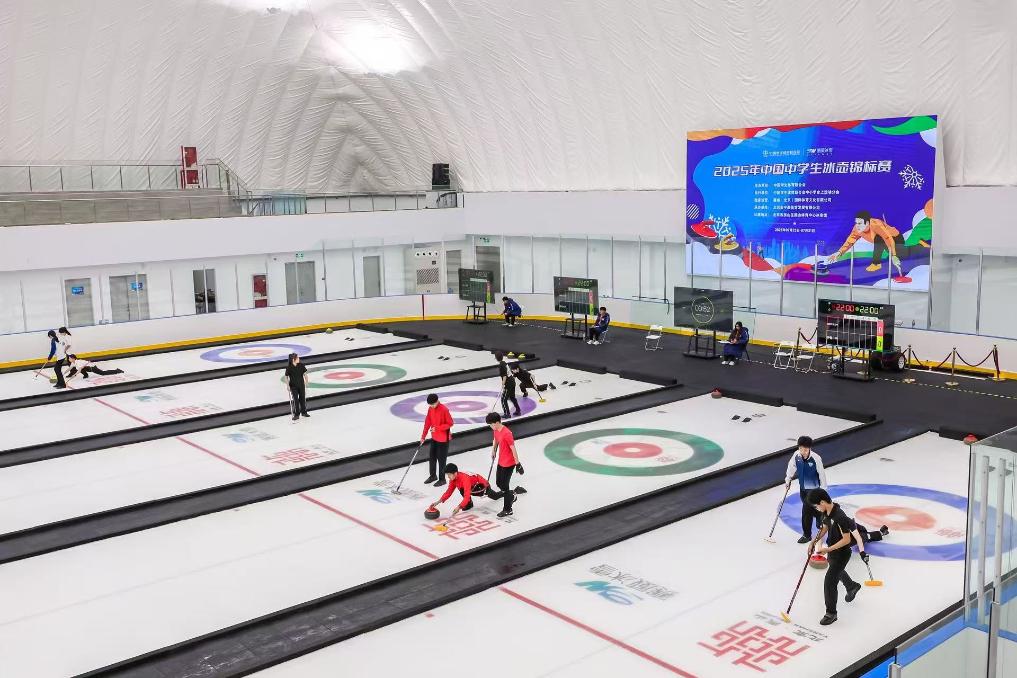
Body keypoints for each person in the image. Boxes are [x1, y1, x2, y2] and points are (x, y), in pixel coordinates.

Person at [807, 488, 866, 626]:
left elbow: (846, 540)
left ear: (822, 502)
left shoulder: (839, 517)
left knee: (829, 581)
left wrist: (827, 549)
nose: (816, 508)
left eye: (816, 506)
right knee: (835, 569)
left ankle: (831, 613)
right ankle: (851, 586)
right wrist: (813, 541)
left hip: (842, 554)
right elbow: (824, 528)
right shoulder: (826, 512)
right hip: (833, 552)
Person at [827, 210, 930, 274]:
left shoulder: (876, 225)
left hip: (894, 237)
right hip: (883, 240)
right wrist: (839, 252)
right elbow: (850, 241)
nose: (857, 226)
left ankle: (919, 245)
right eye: (856, 223)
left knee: (900, 253)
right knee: (882, 243)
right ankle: (877, 263)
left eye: (860, 223)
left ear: (867, 223)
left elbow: (887, 238)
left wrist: (894, 255)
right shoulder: (857, 229)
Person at [784, 436, 828, 544]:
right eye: (801, 449)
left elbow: (822, 474)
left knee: (806, 511)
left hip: (814, 490)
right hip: (803, 488)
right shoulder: (796, 455)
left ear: (809, 448)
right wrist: (788, 479)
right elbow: (791, 467)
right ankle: (819, 517)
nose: (803, 452)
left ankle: (807, 535)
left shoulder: (816, 458)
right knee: (811, 508)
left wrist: (823, 490)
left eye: (805, 449)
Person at [485, 412, 524, 517]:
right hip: (501, 461)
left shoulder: (507, 433)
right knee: (499, 483)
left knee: (505, 487)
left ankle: (508, 509)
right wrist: (493, 450)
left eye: (491, 424)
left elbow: (513, 448)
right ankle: (512, 494)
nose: (490, 426)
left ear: (497, 422)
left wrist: (518, 464)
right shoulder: (496, 430)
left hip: (509, 463)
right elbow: (495, 439)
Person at [421, 393, 454, 486]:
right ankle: (433, 476)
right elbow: (427, 422)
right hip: (434, 438)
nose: (431, 406)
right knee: (432, 457)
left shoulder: (444, 409)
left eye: (433, 404)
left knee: (441, 460)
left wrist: (437, 428)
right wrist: (423, 436)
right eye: (430, 405)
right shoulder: (430, 409)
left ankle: (442, 479)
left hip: (443, 439)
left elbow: (450, 423)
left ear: (437, 401)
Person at [283, 352, 309, 421]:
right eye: (297, 358)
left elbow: (305, 374)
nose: (299, 358)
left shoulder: (301, 365)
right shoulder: (289, 367)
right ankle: (297, 414)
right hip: (293, 386)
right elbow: (286, 377)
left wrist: (306, 382)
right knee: (296, 400)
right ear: (293, 360)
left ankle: (304, 412)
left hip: (301, 385)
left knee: (302, 398)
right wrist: (288, 386)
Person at [495, 351, 521, 417]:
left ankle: (507, 414)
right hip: (512, 381)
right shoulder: (504, 363)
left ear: (496, 358)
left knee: (503, 399)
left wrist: (503, 384)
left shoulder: (501, 365)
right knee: (512, 397)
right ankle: (518, 410)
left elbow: (504, 376)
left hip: (508, 384)